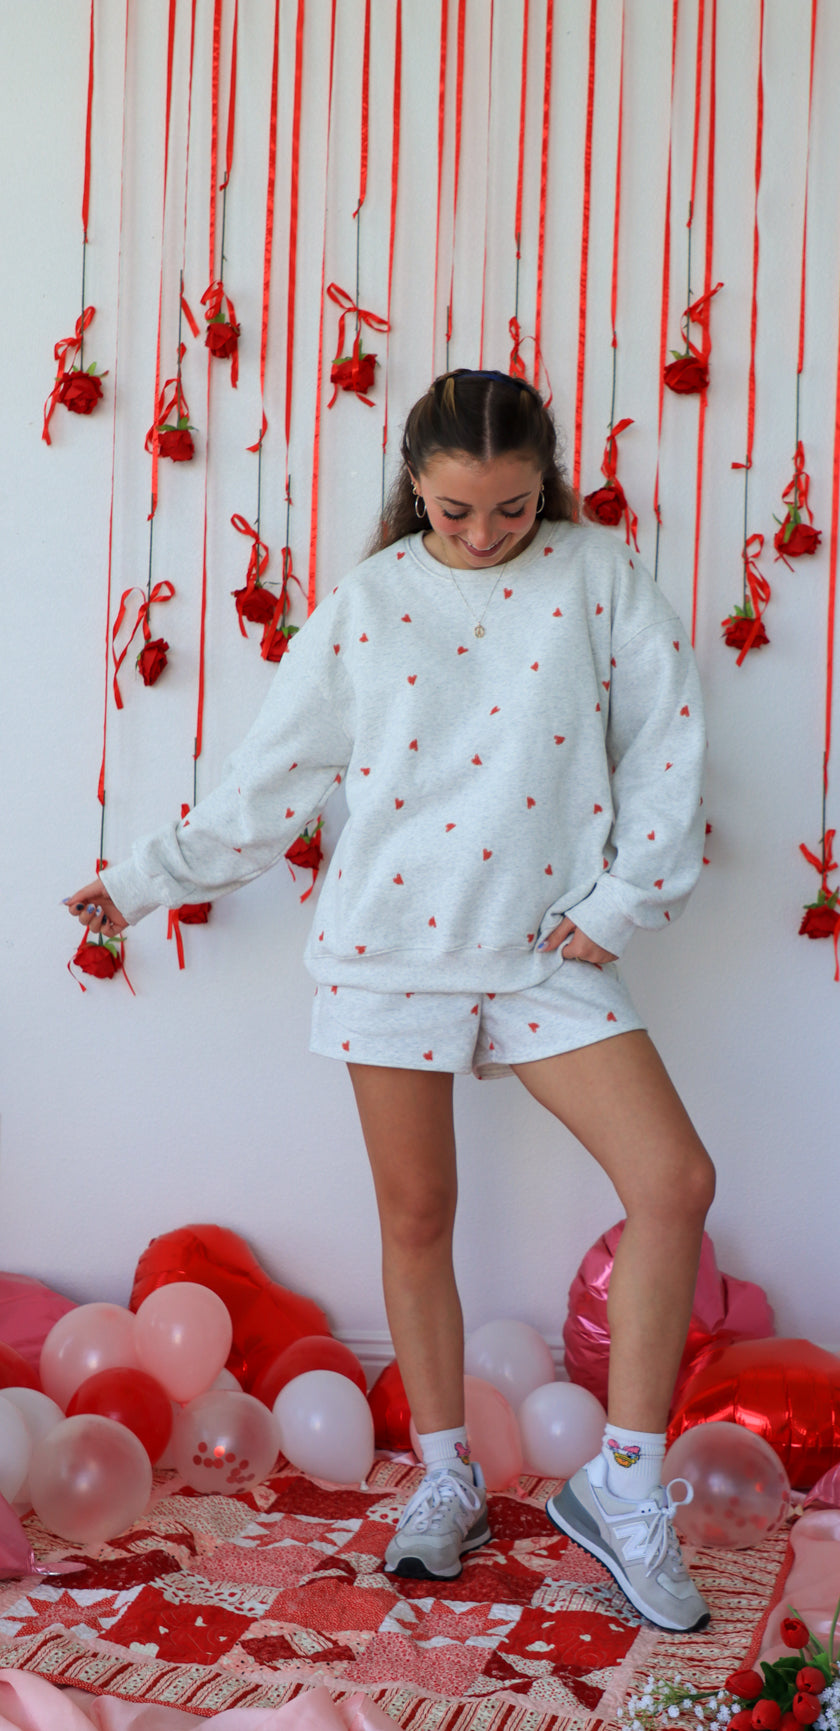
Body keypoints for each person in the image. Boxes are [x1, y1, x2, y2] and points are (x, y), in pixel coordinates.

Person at [66, 369, 715, 1633]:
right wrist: (144, 881)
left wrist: (619, 904)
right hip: (391, 949)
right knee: (418, 1217)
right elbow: (272, 782)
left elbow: (670, 741)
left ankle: (623, 1491)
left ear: (546, 486)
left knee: (673, 1183)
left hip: (546, 951)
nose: (482, 537)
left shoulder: (595, 576)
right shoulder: (367, 604)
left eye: (511, 511)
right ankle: (445, 1478)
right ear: (413, 485)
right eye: (456, 513)